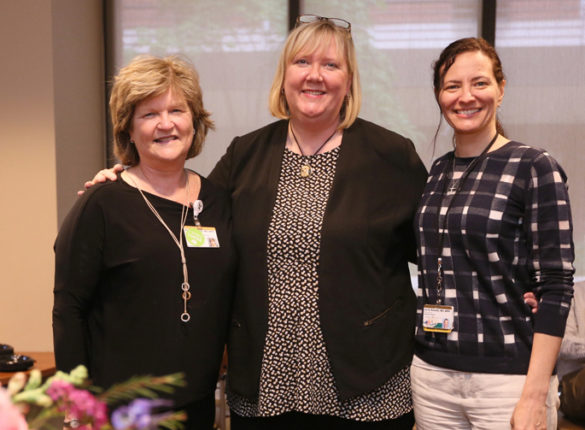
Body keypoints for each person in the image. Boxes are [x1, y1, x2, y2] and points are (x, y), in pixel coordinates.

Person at [83, 15, 427, 429]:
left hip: (366, 387)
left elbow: (436, 251)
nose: (314, 75)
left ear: (349, 80)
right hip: (264, 389)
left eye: (331, 65)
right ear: (284, 76)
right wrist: (128, 181)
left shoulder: (390, 156)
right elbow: (185, 216)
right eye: (302, 62)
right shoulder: (245, 155)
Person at [53, 55, 236, 429]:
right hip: (119, 411)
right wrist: (75, 406)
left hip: (197, 406)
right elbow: (68, 308)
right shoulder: (102, 204)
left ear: (195, 120)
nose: (166, 124)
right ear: (129, 129)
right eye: (149, 114)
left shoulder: (219, 201)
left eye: (176, 110)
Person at [411, 37, 575, 430]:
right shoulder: (437, 171)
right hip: (432, 374)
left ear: (501, 89)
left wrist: (535, 395)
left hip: (508, 380)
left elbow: (556, 285)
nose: (466, 96)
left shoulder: (533, 166)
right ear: (439, 95)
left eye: (480, 83)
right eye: (453, 86)